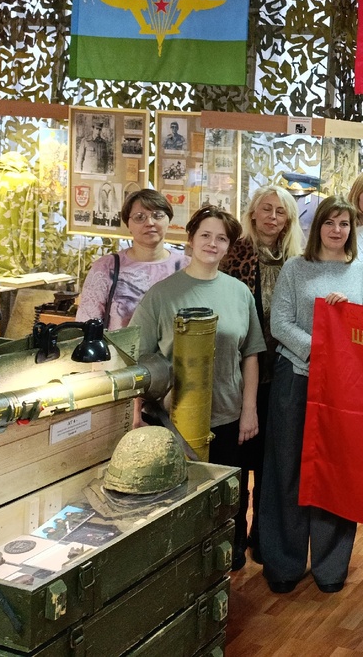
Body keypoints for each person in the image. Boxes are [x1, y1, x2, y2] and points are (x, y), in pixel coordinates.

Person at [258, 195, 363, 595]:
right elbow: (280, 323)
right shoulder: (295, 268)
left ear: (352, 230)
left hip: (343, 386)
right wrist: (320, 349)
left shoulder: (362, 273)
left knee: (334, 472)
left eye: (344, 223)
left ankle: (330, 566)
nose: (337, 230)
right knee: (286, 468)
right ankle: (284, 563)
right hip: (296, 377)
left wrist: (349, 315)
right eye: (330, 222)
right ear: (317, 227)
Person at [132, 205, 264, 570]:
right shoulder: (162, 295)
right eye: (205, 235)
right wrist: (136, 417)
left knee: (229, 497)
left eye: (221, 238)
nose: (212, 243)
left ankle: (227, 563)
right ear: (190, 239)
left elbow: (251, 354)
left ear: (229, 247)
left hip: (227, 417)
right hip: (171, 422)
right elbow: (139, 362)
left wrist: (249, 411)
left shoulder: (239, 293)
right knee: (176, 501)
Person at [220, 185, 303, 561]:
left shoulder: (297, 261)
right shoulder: (233, 253)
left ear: (289, 220)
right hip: (239, 371)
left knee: (272, 462)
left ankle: (263, 533)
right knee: (238, 459)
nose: (272, 216)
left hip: (283, 372)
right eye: (266, 209)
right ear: (252, 213)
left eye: (280, 211)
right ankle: (234, 533)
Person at [77, 188, 188, 330]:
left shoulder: (187, 266)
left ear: (169, 220)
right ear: (128, 224)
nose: (150, 222)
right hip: (118, 345)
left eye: (157, 215)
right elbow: (86, 327)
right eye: (139, 217)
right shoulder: (106, 268)